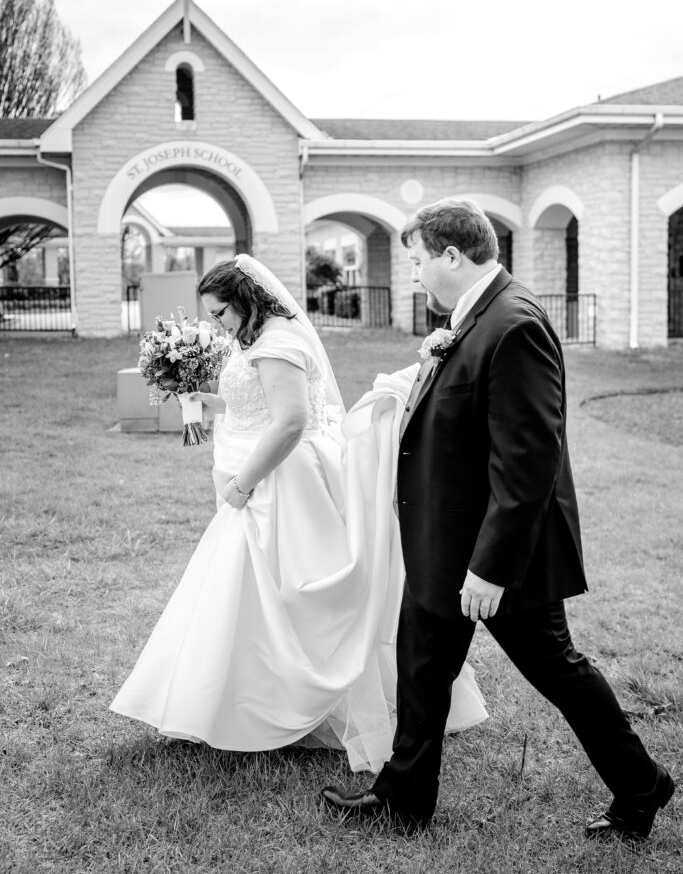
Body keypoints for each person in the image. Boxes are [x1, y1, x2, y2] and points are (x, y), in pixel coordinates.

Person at [321, 199, 675, 837]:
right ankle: (403, 798)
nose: (416, 276)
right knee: (421, 666)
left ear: (453, 256)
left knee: (556, 670)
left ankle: (642, 785)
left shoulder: (514, 325)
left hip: (499, 559)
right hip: (444, 545)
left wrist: (489, 570)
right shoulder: (470, 319)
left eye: (420, 262)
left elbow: (528, 463)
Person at [110, 254, 487, 773]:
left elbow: (289, 423)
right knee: (249, 592)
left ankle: (271, 707)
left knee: (282, 590)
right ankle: (235, 700)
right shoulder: (267, 338)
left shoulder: (279, 342)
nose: (218, 325)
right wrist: (210, 402)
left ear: (245, 300)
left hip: (282, 484)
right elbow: (257, 406)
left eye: (221, 313)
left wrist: (244, 483)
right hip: (272, 477)